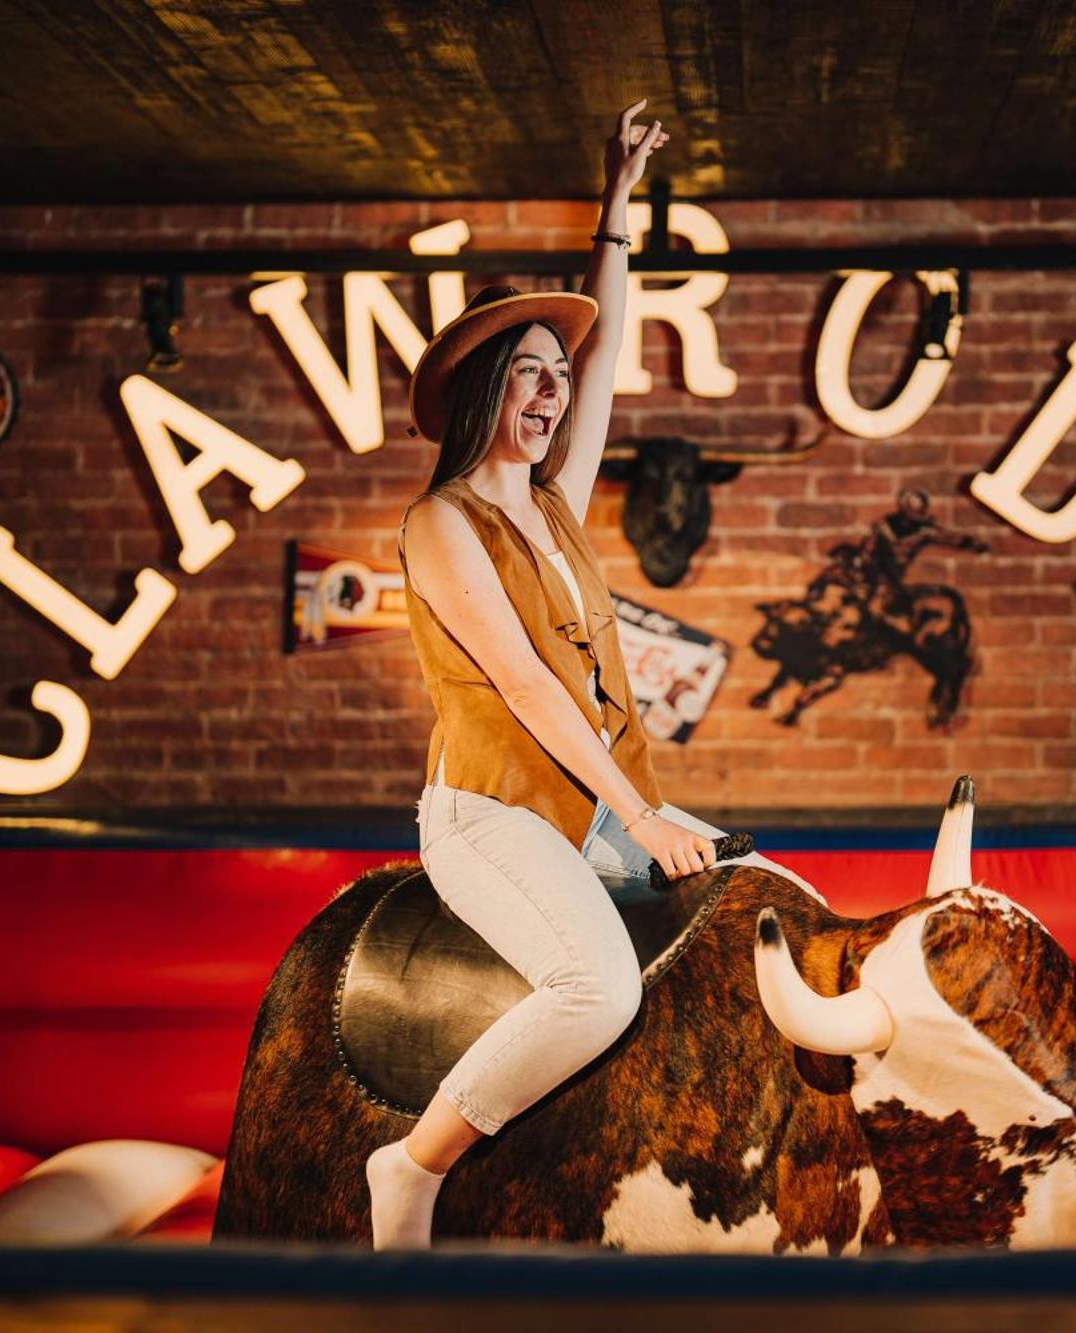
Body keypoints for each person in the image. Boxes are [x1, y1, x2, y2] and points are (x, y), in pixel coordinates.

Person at [368, 99, 818, 1251]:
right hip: (491, 816)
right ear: (481, 393)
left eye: (553, 378)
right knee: (594, 988)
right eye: (525, 374)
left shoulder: (557, 503)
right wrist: (641, 814)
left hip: (593, 805)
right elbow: (522, 684)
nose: (551, 389)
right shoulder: (440, 523)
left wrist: (617, 203)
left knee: (765, 891)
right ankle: (410, 1166)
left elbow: (606, 343)